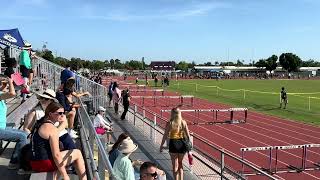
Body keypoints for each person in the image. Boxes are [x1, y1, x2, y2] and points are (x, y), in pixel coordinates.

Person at [30, 102, 87, 180]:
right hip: (43, 164)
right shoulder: (51, 128)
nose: (63, 115)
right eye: (60, 113)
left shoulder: (41, 123)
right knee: (77, 153)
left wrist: (62, 122)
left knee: (64, 156)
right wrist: (65, 175)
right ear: (50, 114)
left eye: (63, 113)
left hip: (34, 161)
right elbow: (56, 155)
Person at [0, 76, 28, 169]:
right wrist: (10, 82)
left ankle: (17, 160)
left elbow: (7, 92)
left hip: (2, 127)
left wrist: (6, 84)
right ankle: (15, 163)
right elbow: (12, 94)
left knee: (25, 133)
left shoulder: (1, 94)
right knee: (22, 136)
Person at [159, 107, 191, 180]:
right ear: (179, 114)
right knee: (180, 164)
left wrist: (161, 145)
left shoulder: (170, 123)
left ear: (172, 114)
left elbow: (165, 135)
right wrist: (189, 147)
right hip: (182, 143)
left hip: (173, 143)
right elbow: (188, 135)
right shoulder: (183, 122)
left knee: (174, 165)